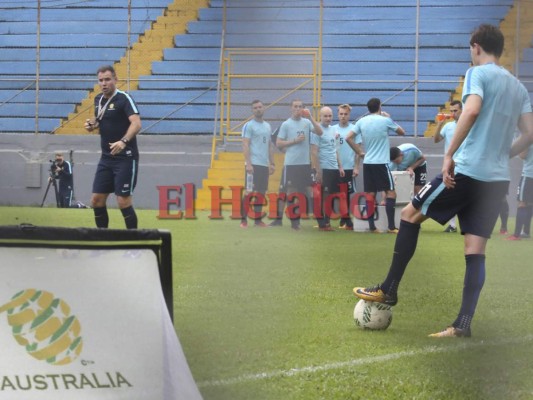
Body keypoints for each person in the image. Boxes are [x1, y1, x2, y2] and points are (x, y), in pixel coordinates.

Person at [353, 24, 533, 338]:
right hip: (496, 180)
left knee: (409, 215)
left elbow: (472, 109)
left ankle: (389, 289)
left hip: (466, 171)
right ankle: (462, 324)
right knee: (475, 249)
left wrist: (449, 154)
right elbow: (530, 133)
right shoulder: (518, 87)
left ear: (476, 46)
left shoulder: (478, 73)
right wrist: (504, 154)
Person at [84, 65, 142, 229]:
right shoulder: (98, 99)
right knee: (96, 200)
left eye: (107, 79)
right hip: (106, 158)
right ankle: (102, 240)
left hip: (126, 158)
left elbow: (136, 124)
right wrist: (92, 125)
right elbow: (101, 120)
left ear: (115, 80)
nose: (104, 83)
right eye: (101, 80)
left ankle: (134, 244)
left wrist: (123, 141)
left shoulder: (124, 98)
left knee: (123, 201)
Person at [346, 98, 405, 233]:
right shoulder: (385, 120)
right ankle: (391, 227)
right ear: (379, 107)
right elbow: (402, 132)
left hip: (368, 163)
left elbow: (348, 137)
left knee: (370, 195)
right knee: (391, 193)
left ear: (368, 108)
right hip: (381, 163)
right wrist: (388, 117)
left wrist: (360, 152)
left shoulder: (362, 121)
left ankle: (372, 227)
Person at [269, 99, 323, 230]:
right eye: (295, 106)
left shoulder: (306, 123)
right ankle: (294, 222)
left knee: (310, 191)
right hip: (291, 164)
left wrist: (310, 116)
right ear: (291, 108)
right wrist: (294, 141)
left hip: (305, 164)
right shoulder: (286, 124)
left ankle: (321, 222)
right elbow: (279, 143)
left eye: (300, 106)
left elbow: (320, 132)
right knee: (291, 192)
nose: (298, 108)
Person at [240, 100, 275, 228]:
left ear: (264, 108)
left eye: (260, 107)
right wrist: (248, 164)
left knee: (261, 192)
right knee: (249, 192)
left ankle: (257, 220)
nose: (258, 109)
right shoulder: (248, 126)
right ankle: (243, 220)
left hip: (264, 165)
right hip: (252, 165)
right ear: (252, 110)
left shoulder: (267, 126)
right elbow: (245, 144)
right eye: (255, 108)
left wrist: (272, 163)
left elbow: (270, 145)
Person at [311, 106, 345, 231]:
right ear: (320, 116)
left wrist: (340, 166)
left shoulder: (334, 131)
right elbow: (314, 152)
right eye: (325, 116)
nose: (328, 118)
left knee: (330, 196)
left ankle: (327, 222)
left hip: (333, 168)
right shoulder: (316, 131)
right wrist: (317, 170)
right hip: (323, 168)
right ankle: (322, 224)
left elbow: (335, 150)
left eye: (330, 116)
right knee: (322, 196)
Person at [434, 100, 463, 233]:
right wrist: (439, 125)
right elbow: (436, 140)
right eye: (451, 111)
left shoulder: (469, 125)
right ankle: (452, 225)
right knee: (451, 194)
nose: (452, 113)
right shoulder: (448, 126)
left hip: (465, 164)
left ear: (462, 110)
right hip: (450, 165)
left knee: (465, 194)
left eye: (455, 110)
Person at [332, 104, 360, 230]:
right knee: (334, 193)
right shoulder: (332, 129)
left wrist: (356, 167)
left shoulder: (354, 130)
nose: (343, 116)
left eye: (345, 114)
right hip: (334, 167)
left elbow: (358, 150)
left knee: (346, 194)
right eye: (341, 114)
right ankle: (327, 219)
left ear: (349, 115)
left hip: (348, 167)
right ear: (338, 115)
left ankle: (345, 220)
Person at [506, 144, 533, 240]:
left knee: (522, 203)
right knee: (529, 203)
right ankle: (526, 232)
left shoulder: (529, 137)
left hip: (529, 175)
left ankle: (516, 235)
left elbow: (522, 155)